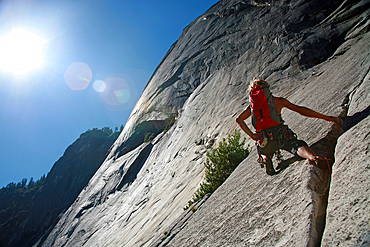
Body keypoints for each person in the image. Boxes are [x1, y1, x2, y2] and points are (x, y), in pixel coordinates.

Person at [236, 78, 340, 175]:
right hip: (281, 133)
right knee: (296, 145)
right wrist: (328, 118)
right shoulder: (278, 101)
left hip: (264, 138)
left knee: (264, 149)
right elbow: (301, 110)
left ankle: (265, 158)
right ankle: (313, 157)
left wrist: (253, 136)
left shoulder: (252, 108)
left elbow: (239, 119)